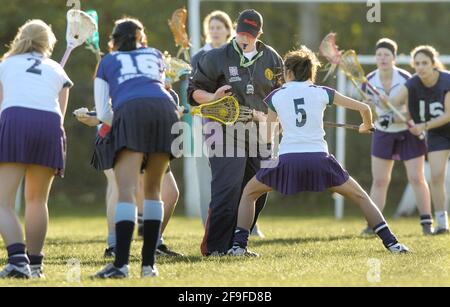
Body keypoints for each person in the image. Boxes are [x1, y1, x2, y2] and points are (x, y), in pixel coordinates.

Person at [227, 46, 410, 256]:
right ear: (310, 72)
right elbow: (364, 109)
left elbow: (266, 139)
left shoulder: (275, 97)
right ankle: (393, 244)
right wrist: (366, 125)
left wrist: (265, 122)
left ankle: (238, 247)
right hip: (320, 160)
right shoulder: (322, 92)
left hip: (287, 161)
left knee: (249, 193)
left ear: (288, 72)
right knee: (362, 197)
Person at [189, 9, 283, 256]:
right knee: (228, 189)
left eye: (250, 35)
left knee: (259, 189)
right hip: (224, 132)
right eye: (241, 32)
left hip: (261, 134)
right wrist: (213, 97)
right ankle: (215, 247)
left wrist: (276, 120)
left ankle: (238, 244)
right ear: (235, 29)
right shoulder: (216, 57)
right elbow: (193, 93)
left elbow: (281, 97)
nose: (244, 38)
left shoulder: (272, 58)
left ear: (259, 34)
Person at [93, 18, 180, 279]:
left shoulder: (107, 60)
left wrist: (120, 122)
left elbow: (103, 112)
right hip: (166, 111)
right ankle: (148, 266)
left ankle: (120, 265)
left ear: (114, 39)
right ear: (141, 38)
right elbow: (158, 88)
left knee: (127, 191)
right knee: (153, 190)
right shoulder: (154, 54)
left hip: (131, 112)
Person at [0, 20, 73, 278]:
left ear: (21, 38)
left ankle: (17, 260)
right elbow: (60, 115)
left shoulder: (5, 64)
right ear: (47, 42)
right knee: (37, 200)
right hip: (49, 124)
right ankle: (35, 266)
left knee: (2, 201)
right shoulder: (56, 69)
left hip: (15, 120)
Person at [359, 38, 433, 236]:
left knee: (417, 177)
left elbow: (413, 110)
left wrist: (394, 112)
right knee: (380, 181)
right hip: (384, 134)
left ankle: (427, 223)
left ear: (394, 57)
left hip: (408, 133)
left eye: (387, 54)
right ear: (376, 57)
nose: (383, 58)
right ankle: (372, 226)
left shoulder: (406, 78)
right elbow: (371, 114)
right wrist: (371, 109)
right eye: (379, 54)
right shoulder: (369, 81)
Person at [386, 45, 450, 234]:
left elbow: (448, 115)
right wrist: (381, 101)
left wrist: (423, 126)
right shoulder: (413, 83)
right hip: (438, 134)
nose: (420, 67)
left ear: (433, 64)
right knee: (437, 176)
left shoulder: (447, 80)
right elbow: (393, 104)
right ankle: (442, 223)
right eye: (417, 63)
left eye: (425, 63)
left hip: (436, 126)